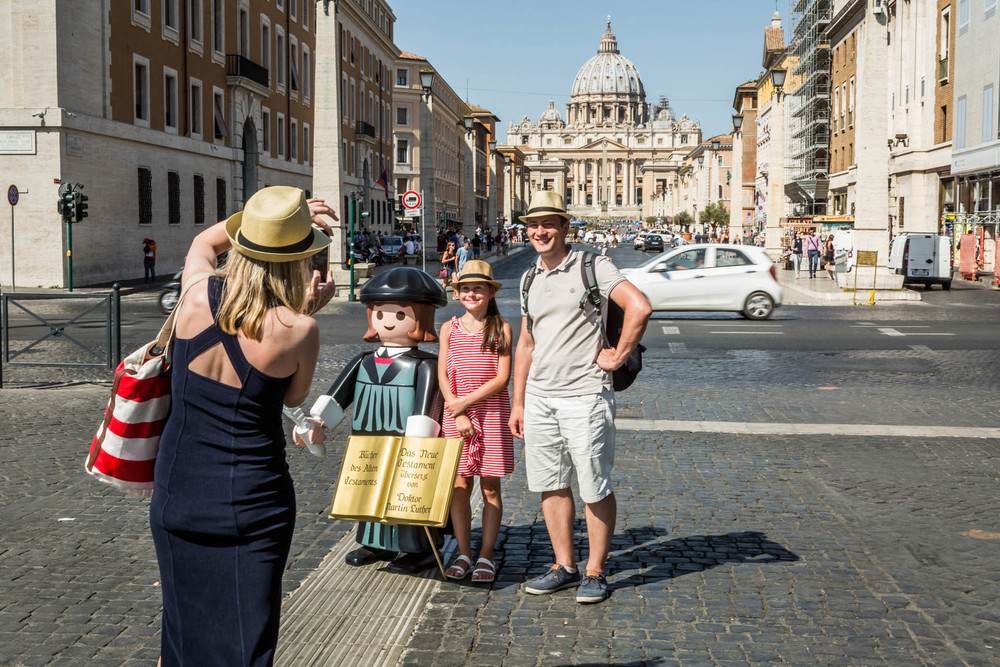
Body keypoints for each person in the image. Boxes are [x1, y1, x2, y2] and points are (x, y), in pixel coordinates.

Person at [149, 186, 337, 665]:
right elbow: (292, 398)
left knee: (181, 632)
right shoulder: (299, 328)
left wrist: (261, 220)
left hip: (177, 492)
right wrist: (307, 308)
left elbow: (203, 245)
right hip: (251, 500)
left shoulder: (194, 297)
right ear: (300, 260)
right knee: (245, 639)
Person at [509, 191, 651, 604]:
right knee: (550, 485)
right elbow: (526, 343)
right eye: (533, 225)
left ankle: (594, 570)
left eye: (548, 224)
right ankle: (564, 565)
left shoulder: (593, 264)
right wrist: (518, 401)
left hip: (585, 394)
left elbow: (639, 307)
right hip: (539, 396)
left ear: (564, 227)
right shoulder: (528, 276)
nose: (540, 231)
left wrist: (618, 354)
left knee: (593, 485)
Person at [324, 267, 448, 573]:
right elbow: (338, 395)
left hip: (405, 440)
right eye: (380, 314)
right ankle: (375, 543)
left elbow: (427, 405)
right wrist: (319, 421)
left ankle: (419, 549)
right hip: (367, 438)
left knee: (406, 494)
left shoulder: (425, 365)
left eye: (399, 314)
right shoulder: (363, 361)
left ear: (421, 318)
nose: (388, 321)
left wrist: (419, 443)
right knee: (368, 487)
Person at [438, 260, 514, 584]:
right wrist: (458, 412)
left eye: (477, 288)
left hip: (491, 414)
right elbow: (443, 374)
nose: (471, 293)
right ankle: (464, 552)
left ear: (489, 293)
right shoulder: (448, 328)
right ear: (458, 294)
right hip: (456, 415)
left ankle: (486, 553)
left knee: (490, 488)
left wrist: (464, 404)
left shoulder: (502, 328)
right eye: (465, 288)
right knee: (459, 486)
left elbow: (502, 377)